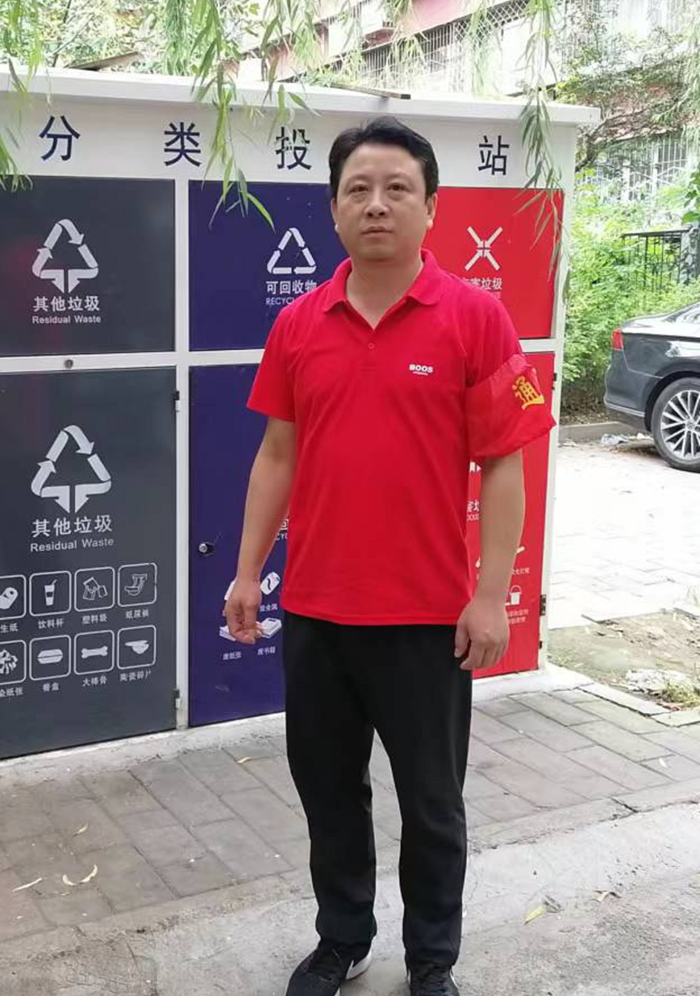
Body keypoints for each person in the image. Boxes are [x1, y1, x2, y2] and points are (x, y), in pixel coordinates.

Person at [225, 116, 555, 996]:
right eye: (358, 190)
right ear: (334, 209)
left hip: (426, 618)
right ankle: (343, 939)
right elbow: (277, 455)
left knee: (432, 806)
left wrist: (491, 595)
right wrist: (249, 572)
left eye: (397, 189)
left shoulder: (478, 319)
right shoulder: (299, 323)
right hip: (319, 611)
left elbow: (506, 465)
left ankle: (431, 959)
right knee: (329, 795)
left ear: (431, 207)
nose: (376, 204)